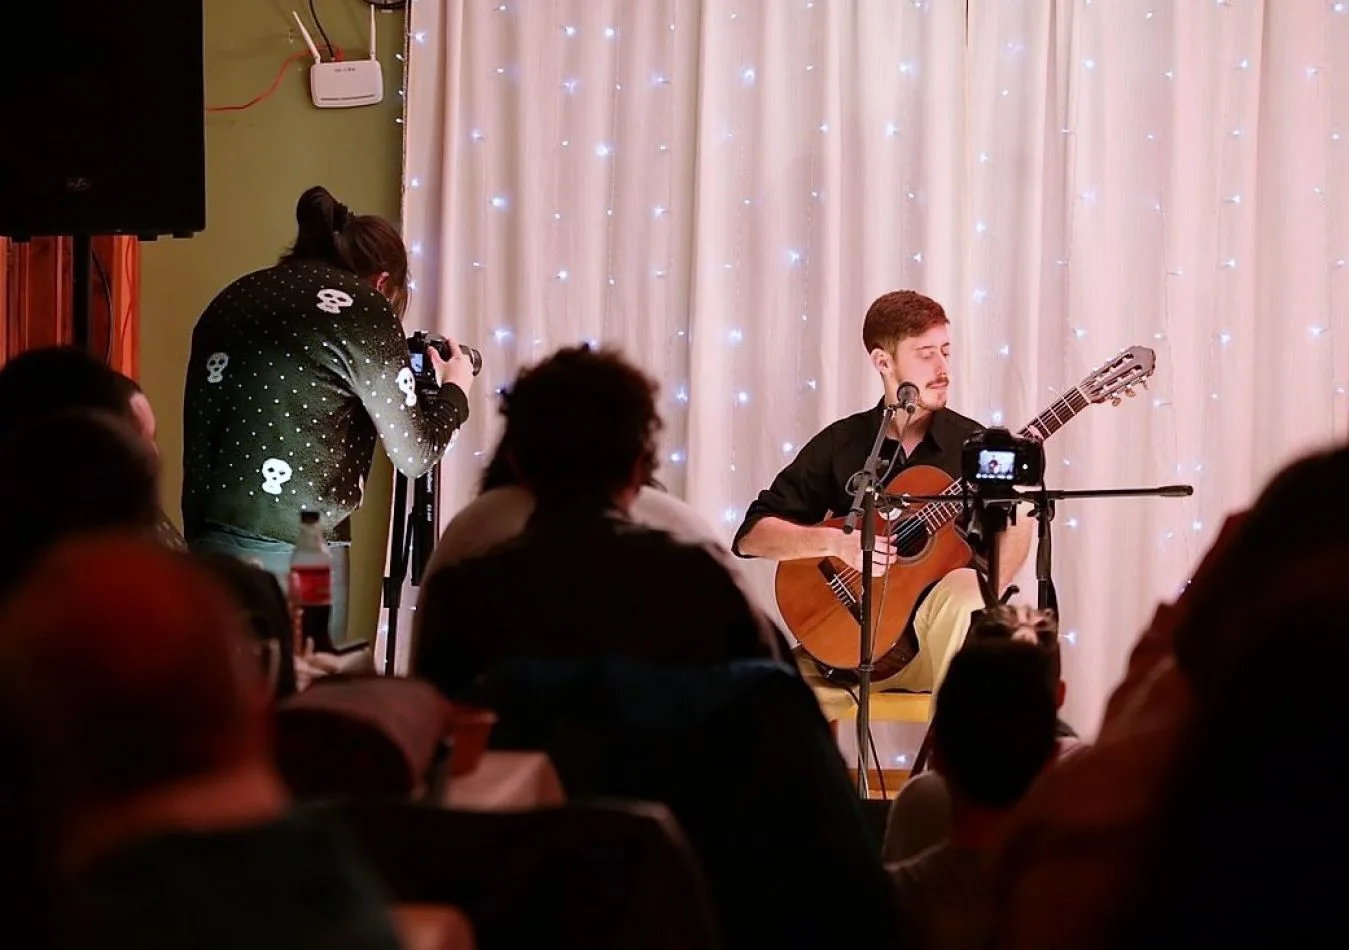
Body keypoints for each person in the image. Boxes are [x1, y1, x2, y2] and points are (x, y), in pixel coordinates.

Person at [181, 185, 475, 647]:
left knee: (220, 699)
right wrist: (455, 391)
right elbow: (416, 453)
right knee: (303, 698)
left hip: (209, 542)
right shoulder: (365, 310)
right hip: (305, 550)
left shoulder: (236, 296)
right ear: (382, 282)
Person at [414, 345, 780, 698]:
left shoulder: (462, 584)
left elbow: (427, 729)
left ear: (516, 461)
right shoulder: (703, 573)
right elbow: (785, 717)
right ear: (639, 465)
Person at [733, 289, 1034, 692]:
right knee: (750, 690)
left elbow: (1011, 527)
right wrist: (835, 545)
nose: (943, 366)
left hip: (943, 650)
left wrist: (1009, 535)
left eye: (946, 350)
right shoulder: (844, 442)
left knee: (971, 586)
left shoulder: (973, 446)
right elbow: (752, 537)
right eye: (926, 353)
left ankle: (957, 747)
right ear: (883, 362)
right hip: (842, 651)